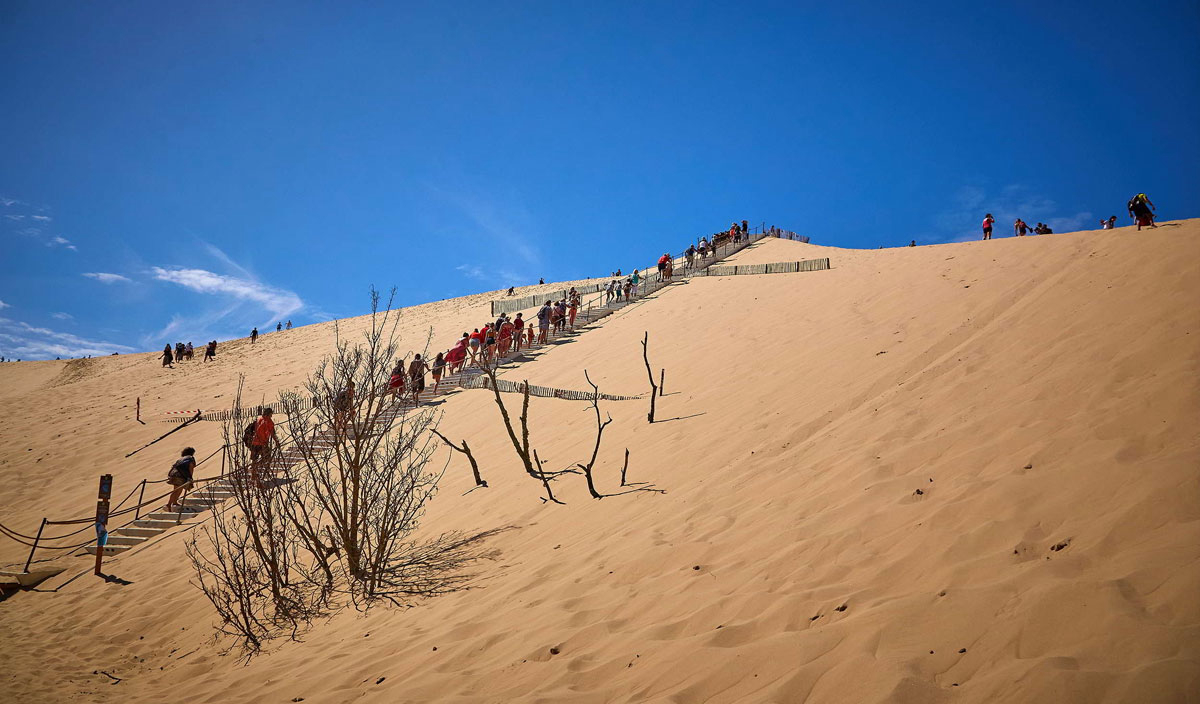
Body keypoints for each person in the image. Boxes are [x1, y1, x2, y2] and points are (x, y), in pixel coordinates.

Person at [249, 408, 277, 487]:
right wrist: (277, 442)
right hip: (262, 443)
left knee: (254, 459)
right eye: (271, 414)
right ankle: (258, 468)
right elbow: (272, 433)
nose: (272, 415)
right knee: (267, 457)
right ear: (269, 414)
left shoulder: (259, 419)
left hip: (254, 442)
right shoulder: (269, 422)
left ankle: (253, 476)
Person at [166, 447, 197, 512]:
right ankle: (169, 504)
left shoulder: (181, 459)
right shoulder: (191, 458)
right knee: (177, 490)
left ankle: (174, 502)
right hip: (180, 475)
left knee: (177, 489)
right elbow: (190, 467)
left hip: (174, 473)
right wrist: (190, 477)